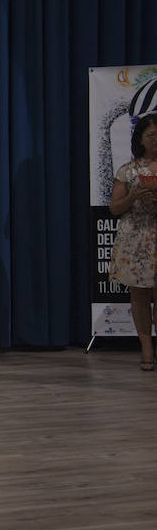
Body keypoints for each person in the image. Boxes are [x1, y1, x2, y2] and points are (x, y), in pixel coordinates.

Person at [109, 113, 157, 370]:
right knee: (139, 296)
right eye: (151, 135)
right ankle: (146, 348)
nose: (156, 140)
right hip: (136, 240)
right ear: (140, 139)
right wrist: (134, 198)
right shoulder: (128, 170)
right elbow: (114, 208)